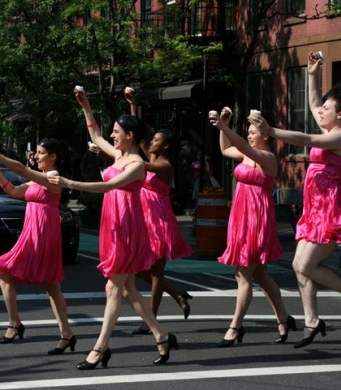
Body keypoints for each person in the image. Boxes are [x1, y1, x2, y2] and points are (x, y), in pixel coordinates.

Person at [47, 88, 177, 369]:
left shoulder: (137, 164)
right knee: (129, 289)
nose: (113, 135)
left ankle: (100, 348)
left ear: (130, 135)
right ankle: (162, 336)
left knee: (113, 287)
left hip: (129, 227)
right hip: (113, 223)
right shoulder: (118, 156)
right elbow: (95, 136)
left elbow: (107, 186)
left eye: (117, 131)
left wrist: (69, 184)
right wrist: (86, 107)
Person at [249, 50, 341, 349]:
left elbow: (307, 139)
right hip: (314, 209)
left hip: (331, 212)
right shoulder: (330, 125)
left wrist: (270, 130)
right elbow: (313, 103)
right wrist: (312, 73)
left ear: (340, 114)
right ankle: (312, 321)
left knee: (306, 265)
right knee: (299, 266)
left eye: (328, 108)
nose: (321, 111)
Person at [0, 138, 76, 353]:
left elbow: (20, 168)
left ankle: (61, 333)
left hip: (44, 234)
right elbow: (13, 192)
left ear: (53, 156)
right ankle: (20, 325)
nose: (36, 156)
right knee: (7, 272)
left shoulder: (52, 177)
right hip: (32, 233)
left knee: (50, 285)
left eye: (40, 153)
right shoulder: (37, 180)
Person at [209, 107, 294, 346]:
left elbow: (244, 148)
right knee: (260, 274)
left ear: (266, 135)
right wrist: (224, 125)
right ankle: (284, 320)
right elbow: (225, 148)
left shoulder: (267, 158)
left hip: (257, 219)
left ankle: (235, 327)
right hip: (241, 215)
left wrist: (224, 127)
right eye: (247, 131)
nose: (248, 135)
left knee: (243, 273)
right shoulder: (247, 154)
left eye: (253, 131)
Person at [122, 91, 193, 333]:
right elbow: (138, 134)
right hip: (143, 218)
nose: (152, 141)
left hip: (159, 220)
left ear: (166, 146)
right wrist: (134, 105)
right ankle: (176, 293)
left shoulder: (164, 166)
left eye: (157, 140)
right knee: (137, 269)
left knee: (156, 271)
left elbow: (141, 163)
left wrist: (117, 156)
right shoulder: (149, 153)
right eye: (152, 139)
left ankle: (149, 321)